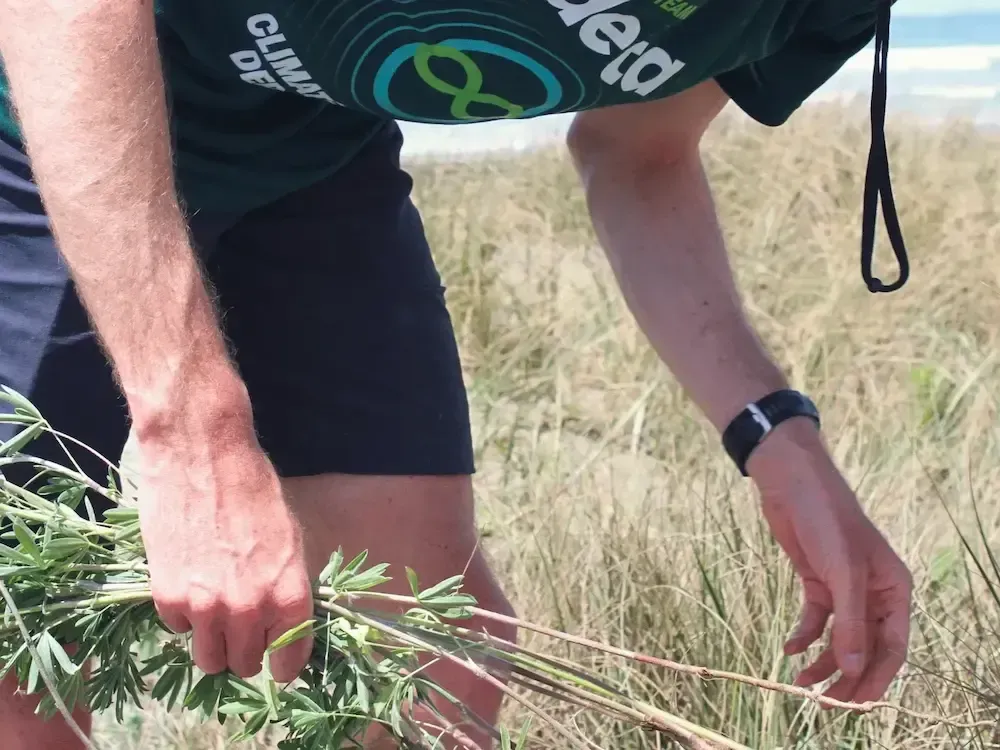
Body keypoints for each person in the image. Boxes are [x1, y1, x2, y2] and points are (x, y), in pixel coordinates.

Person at [0, 0, 914, 747]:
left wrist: (780, 439)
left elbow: (642, 154)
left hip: (308, 144)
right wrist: (192, 429)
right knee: (18, 657)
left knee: (436, 658)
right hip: (47, 118)